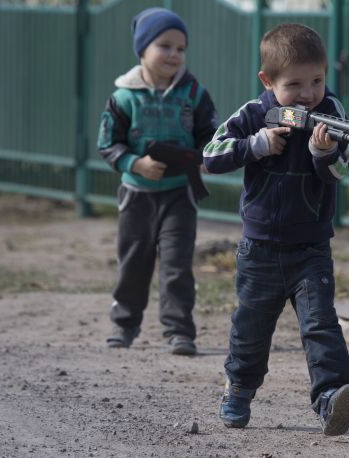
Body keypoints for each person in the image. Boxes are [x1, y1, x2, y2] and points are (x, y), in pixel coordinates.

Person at [203, 23, 349, 436]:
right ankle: (238, 389)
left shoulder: (333, 113)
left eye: (317, 80)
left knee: (321, 325)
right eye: (294, 84)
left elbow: (338, 173)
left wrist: (322, 152)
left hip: (311, 248)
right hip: (259, 249)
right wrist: (255, 145)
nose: (309, 93)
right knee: (251, 328)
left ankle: (331, 398)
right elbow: (211, 154)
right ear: (267, 81)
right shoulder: (254, 113)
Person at [97, 7, 218, 356]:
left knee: (177, 266)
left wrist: (209, 156)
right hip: (137, 196)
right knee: (133, 263)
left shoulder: (194, 93)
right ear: (143, 49)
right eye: (164, 46)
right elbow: (107, 144)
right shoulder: (123, 97)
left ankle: (179, 331)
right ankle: (124, 324)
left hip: (180, 195)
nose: (174, 55)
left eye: (181, 48)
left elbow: (210, 134)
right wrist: (136, 163)